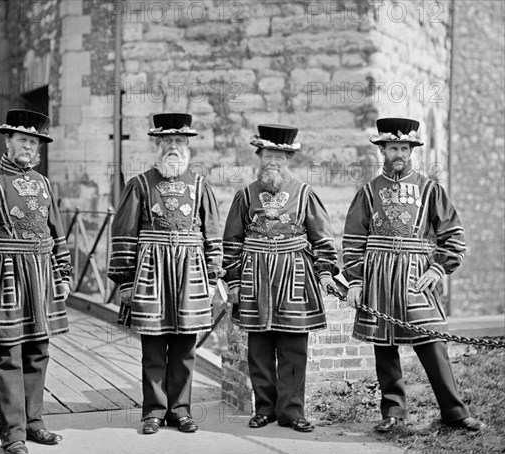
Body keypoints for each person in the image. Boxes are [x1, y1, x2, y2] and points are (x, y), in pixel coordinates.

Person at [342, 117, 486, 432]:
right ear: (382, 150)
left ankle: (454, 412)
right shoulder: (367, 192)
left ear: (411, 151)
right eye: (393, 147)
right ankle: (393, 412)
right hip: (377, 276)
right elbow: (353, 239)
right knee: (384, 346)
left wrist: (438, 269)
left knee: (431, 339)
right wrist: (354, 281)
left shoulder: (431, 189)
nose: (399, 154)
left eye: (404, 148)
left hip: (415, 275)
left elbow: (454, 235)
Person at [0, 109, 72, 454]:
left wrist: (63, 273)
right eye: (22, 139)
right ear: (8, 142)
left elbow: (56, 231)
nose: (28, 146)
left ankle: (35, 422)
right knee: (9, 354)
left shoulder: (43, 182)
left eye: (33, 141)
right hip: (6, 275)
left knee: (40, 350)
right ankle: (13, 434)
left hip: (41, 275)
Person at [108, 113, 223, 435]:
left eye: (180, 142)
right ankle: (154, 412)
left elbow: (212, 235)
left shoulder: (201, 186)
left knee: (186, 346)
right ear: (157, 145)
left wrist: (213, 279)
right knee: (154, 345)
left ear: (188, 147)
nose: (174, 147)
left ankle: (181, 411)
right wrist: (126, 281)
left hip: (191, 272)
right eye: (167, 142)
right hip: (151, 273)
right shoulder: (140, 184)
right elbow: (123, 234)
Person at [222, 124, 338, 432]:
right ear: (259, 156)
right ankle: (265, 409)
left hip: (295, 276)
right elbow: (231, 242)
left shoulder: (304, 194)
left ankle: (292, 411)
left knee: (293, 347)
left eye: (281, 156)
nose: (274, 161)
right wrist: (233, 281)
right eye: (268, 155)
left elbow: (323, 239)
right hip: (255, 278)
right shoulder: (245, 195)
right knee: (259, 348)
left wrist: (325, 273)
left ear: (289, 159)